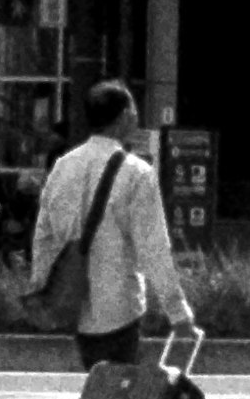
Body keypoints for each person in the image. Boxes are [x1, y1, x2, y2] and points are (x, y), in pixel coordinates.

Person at [24, 80, 196, 367]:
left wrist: (43, 289)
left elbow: (44, 235)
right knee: (119, 395)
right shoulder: (137, 173)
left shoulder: (63, 166)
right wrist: (178, 313)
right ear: (126, 115)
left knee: (96, 388)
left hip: (74, 304)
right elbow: (153, 248)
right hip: (120, 305)